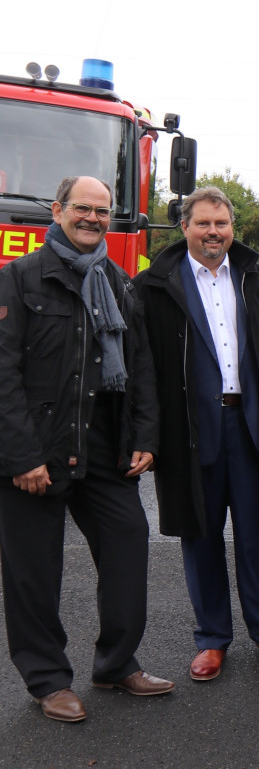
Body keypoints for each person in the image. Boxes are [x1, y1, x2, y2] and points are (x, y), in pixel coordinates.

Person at [0, 176, 173, 723]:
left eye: (102, 211)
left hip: (104, 447)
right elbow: (3, 374)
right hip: (39, 450)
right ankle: (48, 680)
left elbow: (141, 367)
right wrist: (22, 455)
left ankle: (116, 664)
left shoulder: (121, 285)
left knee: (128, 543)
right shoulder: (19, 279)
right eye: (83, 208)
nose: (93, 218)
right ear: (58, 210)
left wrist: (145, 437)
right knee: (34, 573)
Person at [136, 186, 259, 680]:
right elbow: (144, 370)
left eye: (222, 224)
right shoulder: (155, 287)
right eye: (204, 223)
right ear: (185, 226)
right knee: (200, 536)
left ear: (233, 229)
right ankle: (212, 639)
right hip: (190, 430)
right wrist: (148, 435)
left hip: (252, 427)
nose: (214, 233)